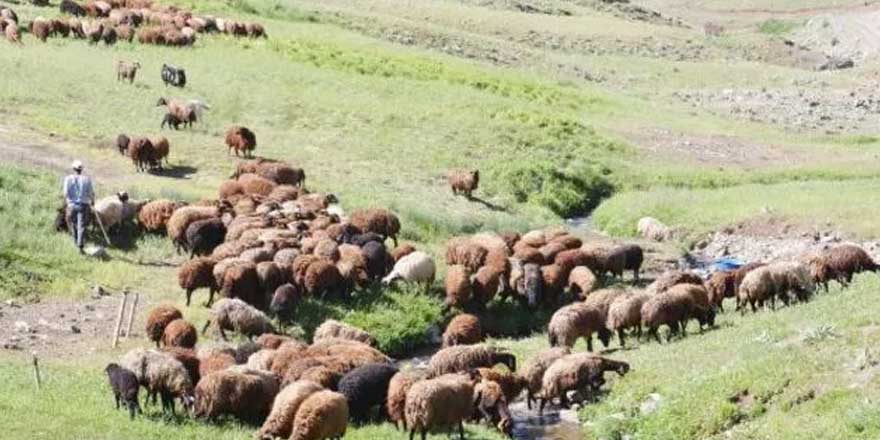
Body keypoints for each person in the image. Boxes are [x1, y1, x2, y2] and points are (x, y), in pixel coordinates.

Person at [62, 160, 95, 254]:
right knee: (82, 226)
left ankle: (76, 241)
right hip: (83, 205)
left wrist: (66, 202)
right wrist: (92, 201)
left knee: (73, 224)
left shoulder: (68, 179)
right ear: (81, 170)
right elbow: (91, 193)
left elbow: (65, 193)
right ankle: (80, 246)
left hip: (71, 205)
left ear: (73, 169)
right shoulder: (87, 179)